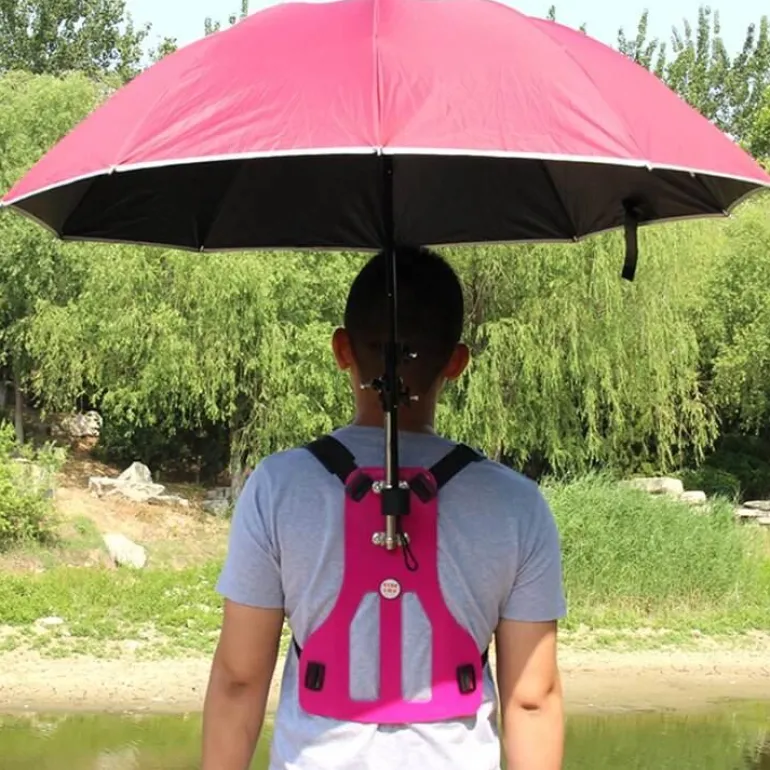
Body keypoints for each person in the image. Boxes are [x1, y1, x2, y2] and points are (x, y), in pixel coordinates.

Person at [202, 246, 566, 770]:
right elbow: (532, 698)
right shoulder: (517, 504)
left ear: (342, 350)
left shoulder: (277, 487)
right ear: (457, 362)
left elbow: (239, 679)